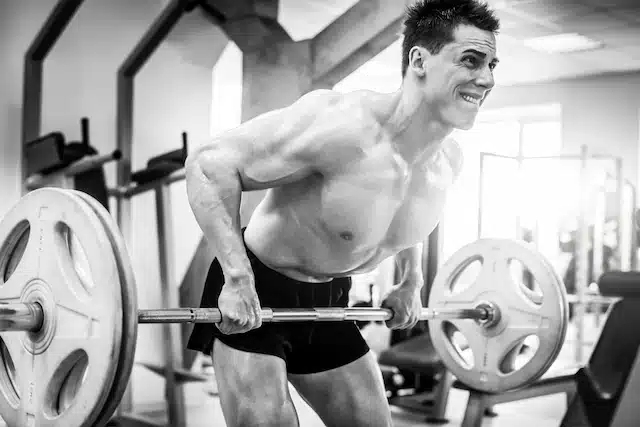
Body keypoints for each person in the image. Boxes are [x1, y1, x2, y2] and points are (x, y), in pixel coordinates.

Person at [185, 0, 500, 425]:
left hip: (331, 302)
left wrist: (412, 280)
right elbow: (209, 165)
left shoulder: (447, 162)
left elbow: (410, 217)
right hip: (258, 294)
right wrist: (236, 277)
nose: (486, 78)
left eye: (492, 65)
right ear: (419, 60)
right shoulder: (342, 126)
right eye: (471, 61)